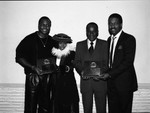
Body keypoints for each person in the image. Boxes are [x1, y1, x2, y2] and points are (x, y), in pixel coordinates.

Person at [15, 16, 57, 113]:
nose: (45, 27)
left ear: (50, 26)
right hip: (33, 77)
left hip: (48, 77)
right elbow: (19, 57)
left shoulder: (52, 41)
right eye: (43, 24)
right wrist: (33, 67)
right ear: (38, 25)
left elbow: (59, 54)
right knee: (31, 107)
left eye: (48, 25)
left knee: (46, 107)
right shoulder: (29, 39)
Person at [102, 13, 138, 113]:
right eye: (110, 23)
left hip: (124, 85)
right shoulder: (109, 40)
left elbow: (128, 62)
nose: (112, 26)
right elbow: (109, 62)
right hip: (111, 85)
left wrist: (109, 74)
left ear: (121, 24)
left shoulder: (129, 39)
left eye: (115, 23)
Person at [74, 22, 108, 113]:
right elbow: (77, 63)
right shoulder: (80, 45)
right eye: (89, 32)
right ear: (86, 32)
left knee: (101, 110)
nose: (91, 34)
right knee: (87, 110)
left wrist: (100, 73)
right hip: (86, 84)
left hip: (100, 83)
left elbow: (107, 63)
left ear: (98, 32)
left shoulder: (104, 44)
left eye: (94, 32)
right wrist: (81, 72)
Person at [51, 33, 79, 113]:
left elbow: (76, 64)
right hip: (56, 86)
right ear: (57, 43)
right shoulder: (53, 54)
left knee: (69, 107)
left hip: (68, 86)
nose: (62, 45)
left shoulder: (72, 53)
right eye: (60, 43)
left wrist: (68, 68)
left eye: (64, 43)